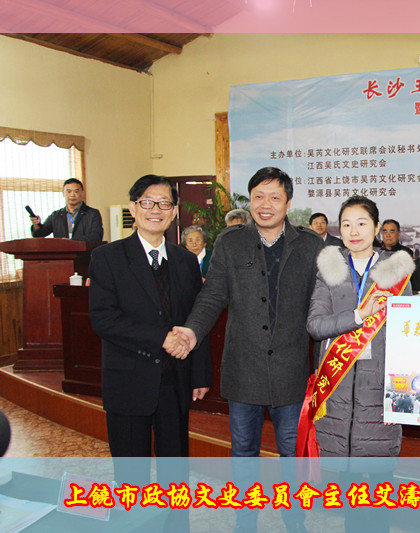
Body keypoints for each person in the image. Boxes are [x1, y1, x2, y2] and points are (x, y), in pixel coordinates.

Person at [173, 167, 322, 533]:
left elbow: (324, 303)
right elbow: (212, 296)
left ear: (288, 202)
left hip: (291, 369)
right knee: (242, 452)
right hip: (244, 366)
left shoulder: (310, 245)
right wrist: (192, 331)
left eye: (274, 197)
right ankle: (245, 523)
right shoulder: (231, 242)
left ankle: (295, 523)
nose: (265, 205)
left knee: (292, 455)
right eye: (258, 196)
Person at [88, 174, 211, 461]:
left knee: (174, 467)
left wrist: (200, 374)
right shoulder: (107, 258)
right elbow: (103, 319)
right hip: (129, 380)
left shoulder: (185, 260)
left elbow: (198, 316)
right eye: (147, 202)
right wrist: (161, 338)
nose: (156, 210)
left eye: (164, 203)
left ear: (174, 212)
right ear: (133, 208)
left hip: (175, 381)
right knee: (131, 471)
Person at [306, 195, 414, 457]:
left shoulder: (396, 272)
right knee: (337, 477)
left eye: (361, 224)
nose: (353, 232)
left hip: (379, 390)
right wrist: (359, 315)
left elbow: (407, 336)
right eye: (346, 225)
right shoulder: (329, 269)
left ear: (377, 228)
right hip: (336, 389)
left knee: (377, 476)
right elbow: (315, 326)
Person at [30, 178, 103, 241]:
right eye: (69, 191)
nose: (72, 195)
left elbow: (96, 236)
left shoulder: (93, 214)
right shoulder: (56, 215)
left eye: (76, 191)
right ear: (63, 193)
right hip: (61, 252)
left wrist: (72, 242)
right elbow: (39, 234)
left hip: (84, 252)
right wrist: (36, 225)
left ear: (82, 193)